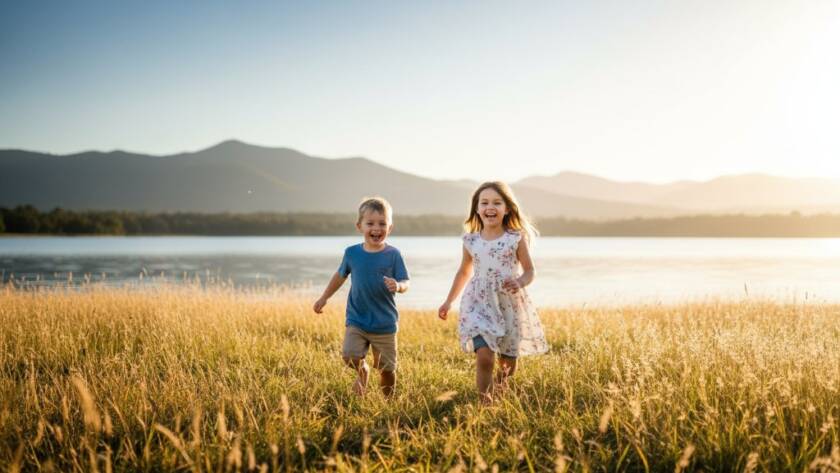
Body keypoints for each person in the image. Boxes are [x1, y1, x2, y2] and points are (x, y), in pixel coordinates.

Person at [438, 181, 548, 403]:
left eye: (497, 203)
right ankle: (485, 404)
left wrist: (520, 281)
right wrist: (448, 301)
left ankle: (501, 389)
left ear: (507, 208)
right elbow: (463, 272)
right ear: (477, 209)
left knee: (507, 362)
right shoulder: (471, 240)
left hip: (509, 302)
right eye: (484, 202)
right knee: (485, 357)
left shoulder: (515, 238)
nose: (490, 207)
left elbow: (530, 271)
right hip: (478, 302)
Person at [313, 197, 410, 397]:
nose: (376, 228)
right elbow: (340, 276)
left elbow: (406, 281)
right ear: (359, 226)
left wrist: (398, 286)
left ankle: (387, 402)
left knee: (387, 370)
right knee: (349, 355)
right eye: (370, 223)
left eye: (382, 223)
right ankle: (362, 371)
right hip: (357, 319)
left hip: (384, 323)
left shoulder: (393, 254)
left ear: (390, 228)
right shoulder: (352, 253)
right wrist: (324, 298)